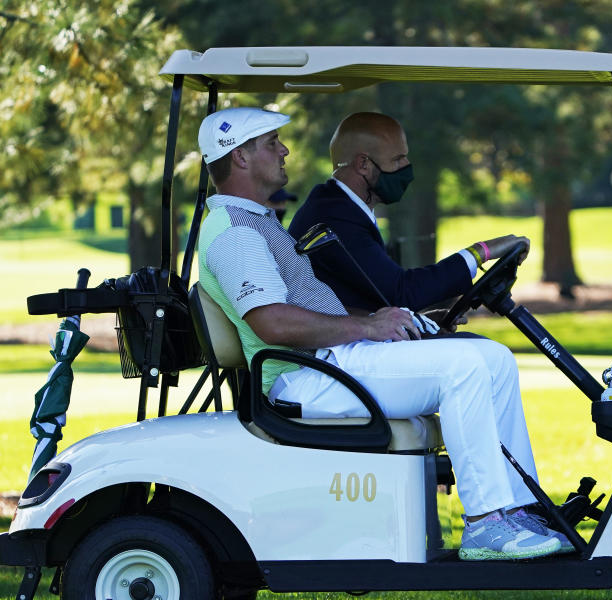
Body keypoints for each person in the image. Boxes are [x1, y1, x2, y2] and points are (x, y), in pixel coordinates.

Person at [196, 107, 571, 561]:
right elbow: (271, 323)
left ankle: (517, 509)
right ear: (239, 157)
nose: (284, 150)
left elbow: (304, 308)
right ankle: (485, 523)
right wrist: (367, 326)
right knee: (465, 366)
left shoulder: (256, 221)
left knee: (493, 358)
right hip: (304, 377)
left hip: (328, 362)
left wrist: (382, 318)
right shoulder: (235, 232)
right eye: (272, 142)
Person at [288, 112, 530, 314]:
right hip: (338, 353)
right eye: (398, 159)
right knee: (492, 356)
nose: (406, 168)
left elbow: (372, 296)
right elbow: (403, 291)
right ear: (363, 164)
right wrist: (481, 252)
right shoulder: (334, 216)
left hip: (355, 340)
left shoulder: (340, 208)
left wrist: (420, 321)